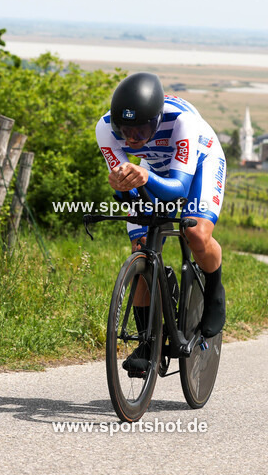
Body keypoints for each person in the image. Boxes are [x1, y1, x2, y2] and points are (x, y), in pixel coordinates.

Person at [95, 72, 227, 374]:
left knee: (194, 230)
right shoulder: (104, 128)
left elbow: (179, 189)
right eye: (124, 130)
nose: (132, 139)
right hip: (154, 168)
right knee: (141, 246)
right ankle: (146, 340)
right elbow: (124, 191)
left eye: (141, 130)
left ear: (156, 120)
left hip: (200, 162)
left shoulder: (183, 123)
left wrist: (145, 177)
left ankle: (215, 293)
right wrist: (119, 185)